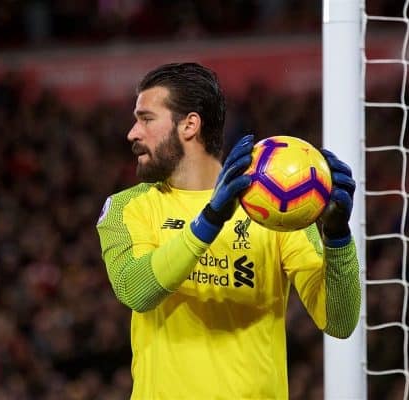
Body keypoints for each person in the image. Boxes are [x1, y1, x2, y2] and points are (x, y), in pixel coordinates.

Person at [95, 62, 361, 399]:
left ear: (189, 125)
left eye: (146, 118)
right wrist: (209, 221)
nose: (132, 133)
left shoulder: (275, 208)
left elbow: (339, 321)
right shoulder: (128, 207)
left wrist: (338, 237)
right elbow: (136, 290)